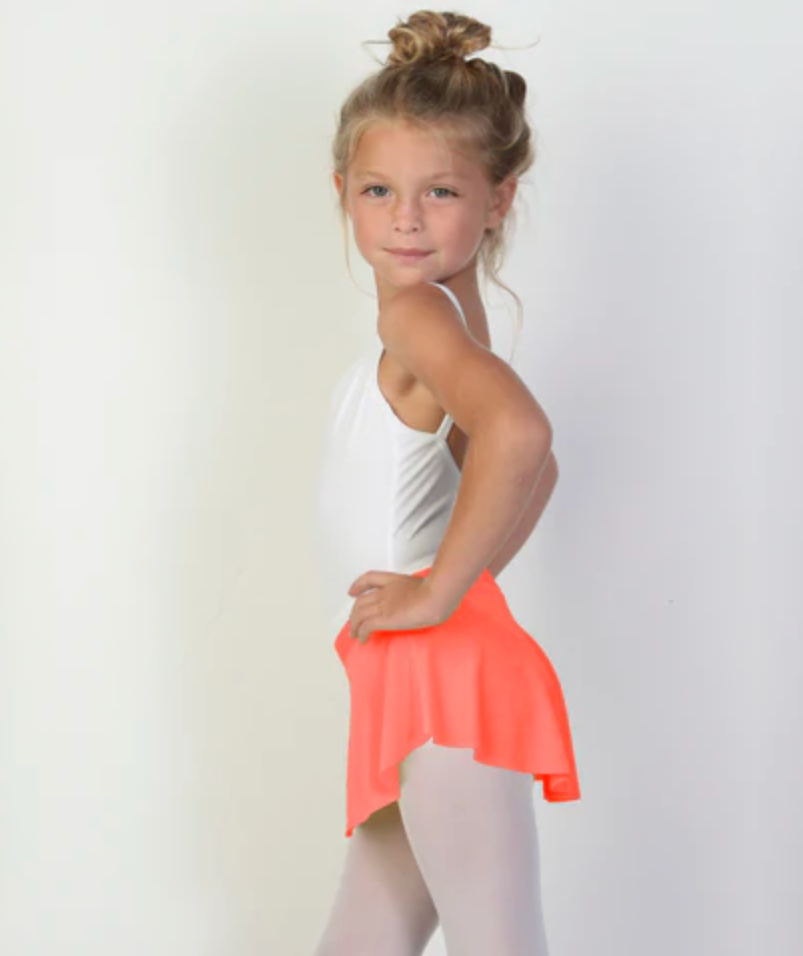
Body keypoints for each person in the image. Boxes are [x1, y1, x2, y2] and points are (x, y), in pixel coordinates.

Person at [312, 11, 582, 955]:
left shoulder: (422, 316)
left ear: (499, 199)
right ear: (343, 190)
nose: (407, 219)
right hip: (412, 666)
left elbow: (523, 435)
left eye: (441, 192)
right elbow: (533, 473)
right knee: (366, 935)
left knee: (498, 941)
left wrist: (438, 593)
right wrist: (455, 589)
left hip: (438, 676)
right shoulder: (450, 316)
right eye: (381, 190)